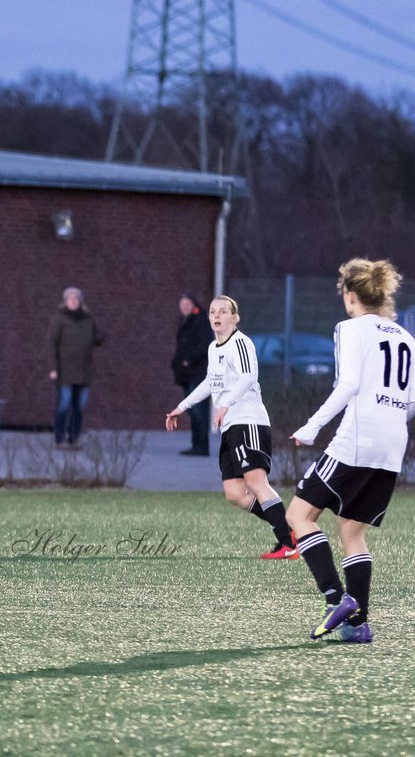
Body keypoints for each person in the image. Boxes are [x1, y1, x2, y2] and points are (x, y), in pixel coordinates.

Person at [287, 259, 415, 644]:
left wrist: (311, 427)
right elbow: (410, 402)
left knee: (299, 514)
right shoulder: (405, 337)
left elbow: (348, 385)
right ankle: (357, 623)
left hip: (358, 440)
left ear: (351, 295)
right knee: (352, 531)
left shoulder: (349, 327)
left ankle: (334, 598)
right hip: (393, 444)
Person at [165, 296, 296, 560]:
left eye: (223, 311)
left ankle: (289, 543)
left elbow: (249, 377)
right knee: (234, 492)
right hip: (231, 426)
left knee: (256, 483)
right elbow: (209, 384)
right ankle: (288, 529)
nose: (217, 315)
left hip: (248, 421)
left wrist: (225, 404)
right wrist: (182, 406)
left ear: (234, 317)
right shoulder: (214, 348)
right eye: (213, 311)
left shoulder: (241, 343)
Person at [47, 287, 103, 449]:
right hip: (65, 370)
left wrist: (96, 338)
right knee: (64, 405)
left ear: (80, 301)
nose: (73, 302)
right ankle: (60, 438)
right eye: (70, 299)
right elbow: (52, 344)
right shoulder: (60, 318)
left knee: (79, 407)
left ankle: (74, 437)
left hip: (84, 371)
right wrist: (53, 368)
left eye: (76, 299)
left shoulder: (87, 318)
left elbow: (99, 335)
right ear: (65, 301)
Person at [171, 294, 213, 456]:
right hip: (188, 374)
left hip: (198, 374)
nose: (184, 308)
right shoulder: (185, 322)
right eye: (182, 305)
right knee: (193, 411)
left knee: (199, 411)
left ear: (193, 304)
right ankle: (197, 445)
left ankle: (201, 446)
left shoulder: (200, 321)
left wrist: (189, 359)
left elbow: (204, 344)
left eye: (187, 304)